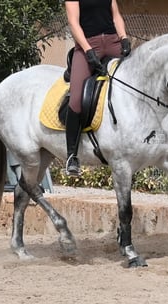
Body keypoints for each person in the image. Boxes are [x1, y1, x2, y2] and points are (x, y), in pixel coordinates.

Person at [64, 0, 131, 176]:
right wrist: (87, 50)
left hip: (112, 41)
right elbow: (73, 23)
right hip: (88, 44)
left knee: (134, 82)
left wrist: (124, 38)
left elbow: (116, 16)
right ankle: (72, 155)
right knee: (76, 99)